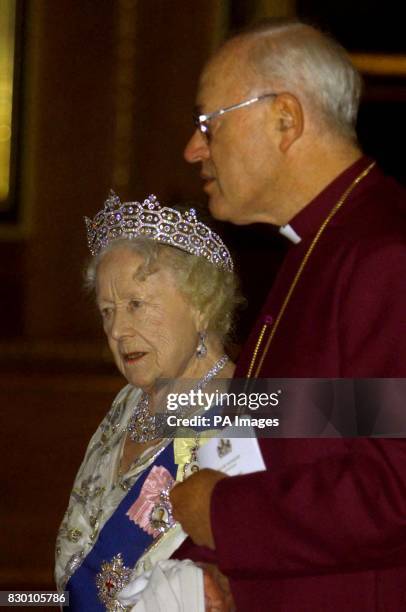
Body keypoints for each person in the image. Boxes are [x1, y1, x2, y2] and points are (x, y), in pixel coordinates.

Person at [170, 19, 406, 611]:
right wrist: (200, 564)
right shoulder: (324, 245)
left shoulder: (385, 255)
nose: (193, 148)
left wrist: (220, 516)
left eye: (208, 123)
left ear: (284, 119)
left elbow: (393, 485)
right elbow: (298, 438)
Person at [54, 191, 239, 611]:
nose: (117, 330)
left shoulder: (249, 412)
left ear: (202, 307)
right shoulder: (127, 403)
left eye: (136, 305)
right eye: (106, 311)